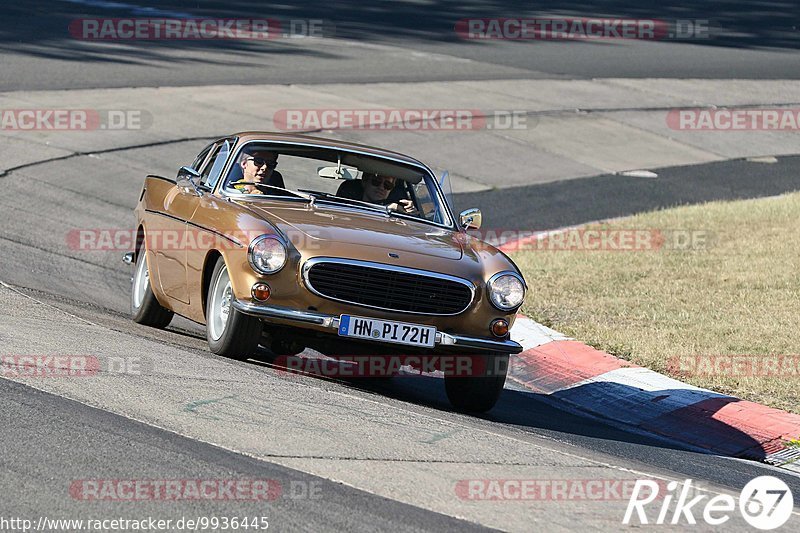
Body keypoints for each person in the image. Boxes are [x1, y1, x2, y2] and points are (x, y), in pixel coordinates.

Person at [337, 173, 417, 214]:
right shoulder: (345, 206)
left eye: (387, 185)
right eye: (376, 182)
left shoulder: (397, 211)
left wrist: (411, 212)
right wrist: (387, 208)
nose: (382, 187)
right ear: (365, 181)